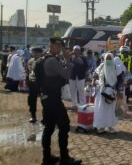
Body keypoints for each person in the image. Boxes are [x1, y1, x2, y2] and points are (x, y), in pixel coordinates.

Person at [41, 37, 81, 165]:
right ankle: (64, 158)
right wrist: (68, 59)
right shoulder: (52, 60)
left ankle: (47, 158)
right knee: (64, 126)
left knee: (49, 128)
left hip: (47, 98)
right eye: (57, 46)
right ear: (51, 46)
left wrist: (65, 58)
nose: (59, 49)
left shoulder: (46, 59)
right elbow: (66, 75)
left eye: (61, 47)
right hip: (53, 100)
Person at [93, 53, 124, 134]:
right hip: (102, 92)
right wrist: (93, 81)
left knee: (111, 110)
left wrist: (120, 91)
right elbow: (95, 74)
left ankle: (110, 127)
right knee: (101, 109)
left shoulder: (116, 67)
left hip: (112, 92)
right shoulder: (102, 66)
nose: (109, 60)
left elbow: (120, 80)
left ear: (112, 58)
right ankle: (101, 127)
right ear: (105, 59)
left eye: (110, 58)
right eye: (108, 58)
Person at [27, 46, 44, 123]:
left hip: (41, 83)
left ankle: (45, 117)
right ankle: (33, 116)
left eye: (36, 53)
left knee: (44, 101)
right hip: (32, 83)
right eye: (33, 52)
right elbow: (29, 71)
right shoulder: (30, 60)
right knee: (31, 100)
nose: (34, 54)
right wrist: (27, 80)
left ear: (40, 53)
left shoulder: (44, 61)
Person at [69, 45, 88, 110]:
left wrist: (84, 74)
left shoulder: (83, 58)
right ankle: (74, 105)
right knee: (72, 91)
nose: (75, 51)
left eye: (77, 50)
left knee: (81, 91)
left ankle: (83, 105)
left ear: (79, 51)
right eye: (74, 50)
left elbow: (86, 67)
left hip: (80, 77)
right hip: (72, 76)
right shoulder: (70, 58)